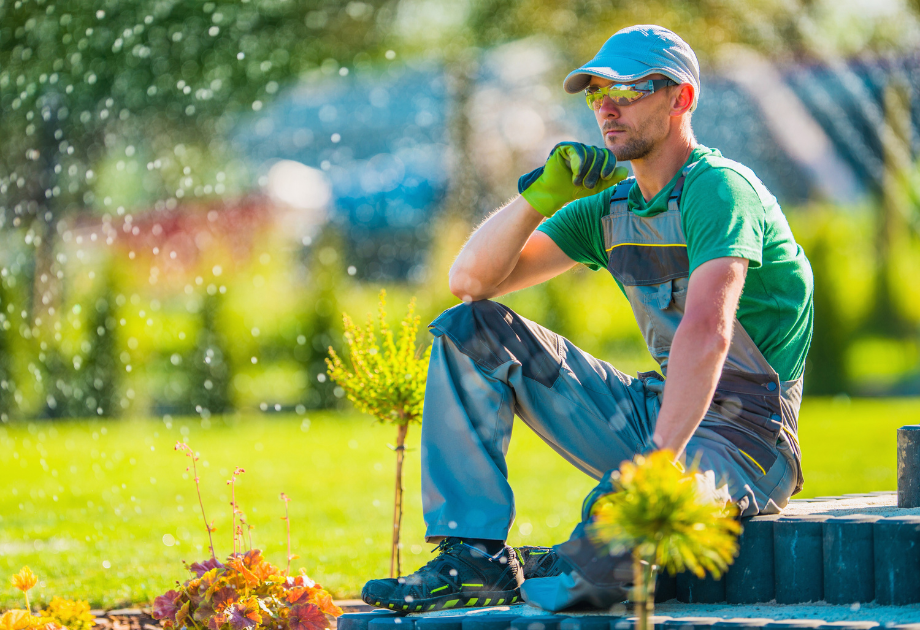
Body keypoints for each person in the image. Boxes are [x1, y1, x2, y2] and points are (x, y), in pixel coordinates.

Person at [362, 24, 814, 613]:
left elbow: (709, 329)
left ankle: (560, 561)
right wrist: (538, 198)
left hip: (747, 441)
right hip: (660, 411)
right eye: (596, 91)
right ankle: (473, 557)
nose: (606, 106)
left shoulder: (720, 191)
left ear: (681, 99)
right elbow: (470, 282)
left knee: (587, 574)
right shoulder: (611, 208)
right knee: (470, 331)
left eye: (627, 89)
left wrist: (656, 464)